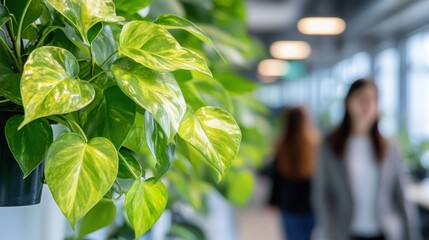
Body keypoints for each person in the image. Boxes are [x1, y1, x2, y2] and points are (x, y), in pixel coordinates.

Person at [312, 79, 421, 240]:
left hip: (384, 232)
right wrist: (329, 228)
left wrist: (411, 234)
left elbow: (400, 194)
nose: (367, 105)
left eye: (373, 99)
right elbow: (321, 193)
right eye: (361, 98)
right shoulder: (330, 146)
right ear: (348, 103)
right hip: (344, 232)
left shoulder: (390, 147)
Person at [269, 106, 320, 240]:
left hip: (289, 204)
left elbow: (276, 178)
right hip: (311, 204)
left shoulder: (282, 145)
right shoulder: (314, 145)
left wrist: (273, 202)